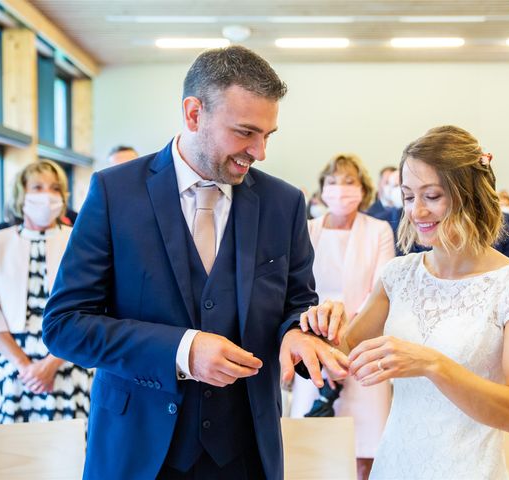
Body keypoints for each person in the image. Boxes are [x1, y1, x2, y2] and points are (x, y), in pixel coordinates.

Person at [42, 46, 347, 480]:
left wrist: (300, 333)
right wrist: (182, 350)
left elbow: (297, 305)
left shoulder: (284, 203)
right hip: (138, 451)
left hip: (245, 455)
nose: (259, 152)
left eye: (268, 135)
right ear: (193, 114)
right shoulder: (115, 193)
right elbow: (65, 326)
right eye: (245, 132)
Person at [301, 125, 509, 479]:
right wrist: (323, 324)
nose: (416, 211)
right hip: (396, 465)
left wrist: (432, 364)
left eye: (432, 196)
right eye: (407, 196)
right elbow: (340, 354)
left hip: (470, 469)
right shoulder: (398, 276)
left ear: (470, 195)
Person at [289, 153, 394, 480]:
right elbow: (296, 288)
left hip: (364, 344)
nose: (340, 189)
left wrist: (346, 339)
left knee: (366, 444)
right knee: (312, 441)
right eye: (332, 182)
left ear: (363, 189)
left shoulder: (379, 230)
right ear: (321, 190)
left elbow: (381, 289)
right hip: (313, 342)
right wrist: (322, 340)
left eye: (349, 182)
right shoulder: (307, 230)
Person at [0, 160, 93, 423]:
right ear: (21, 194)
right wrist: (26, 368)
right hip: (14, 367)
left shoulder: (81, 239)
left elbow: (92, 306)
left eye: (55, 188)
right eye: (37, 187)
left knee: (70, 452)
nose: (47, 195)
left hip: (69, 360)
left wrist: (49, 365)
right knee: (13, 457)